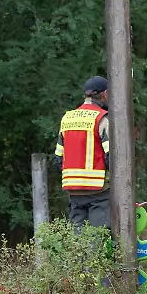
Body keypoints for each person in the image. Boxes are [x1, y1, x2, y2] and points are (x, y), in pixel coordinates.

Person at [54, 76, 112, 232]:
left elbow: (58, 159)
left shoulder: (67, 118)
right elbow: (111, 158)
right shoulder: (102, 119)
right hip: (99, 190)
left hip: (73, 190)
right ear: (105, 94)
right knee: (97, 237)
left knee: (78, 241)